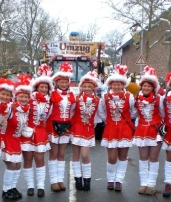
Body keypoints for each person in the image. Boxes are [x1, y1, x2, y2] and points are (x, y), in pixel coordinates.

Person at [97, 64, 138, 192]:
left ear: (123, 85)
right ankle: (110, 179)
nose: (116, 87)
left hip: (124, 128)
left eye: (119, 84)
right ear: (110, 85)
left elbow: (134, 111)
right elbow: (101, 111)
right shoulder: (105, 97)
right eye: (114, 84)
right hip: (110, 128)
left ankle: (119, 180)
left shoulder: (129, 97)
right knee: (112, 156)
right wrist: (108, 120)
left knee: (123, 155)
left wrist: (126, 119)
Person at [21, 64, 53, 197]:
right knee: (28, 159)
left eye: (46, 87)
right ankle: (30, 186)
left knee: (40, 159)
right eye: (42, 87)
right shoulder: (28, 98)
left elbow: (48, 117)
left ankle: (40, 186)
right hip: (27, 132)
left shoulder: (50, 102)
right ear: (37, 87)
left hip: (40, 132)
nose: (44, 89)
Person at [132, 66, 164, 195]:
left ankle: (151, 184)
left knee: (153, 157)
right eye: (144, 86)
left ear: (153, 88)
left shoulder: (159, 99)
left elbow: (163, 114)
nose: (146, 88)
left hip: (155, 131)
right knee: (143, 158)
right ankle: (143, 183)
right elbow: (134, 114)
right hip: (141, 131)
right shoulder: (136, 99)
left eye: (149, 86)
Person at [0, 74, 32, 200]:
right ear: (16, 96)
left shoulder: (26, 110)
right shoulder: (10, 108)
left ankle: (12, 187)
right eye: (21, 96)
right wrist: (1, 140)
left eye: (26, 97)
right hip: (7, 139)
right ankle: (5, 190)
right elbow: (2, 125)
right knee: (11, 165)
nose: (23, 99)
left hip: (16, 140)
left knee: (18, 164)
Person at [47, 62, 76, 192]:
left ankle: (60, 179)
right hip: (53, 126)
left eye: (66, 82)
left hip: (65, 126)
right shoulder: (51, 95)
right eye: (61, 82)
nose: (64, 84)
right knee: (53, 153)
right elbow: (47, 112)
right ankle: (53, 180)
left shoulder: (71, 95)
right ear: (57, 82)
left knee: (62, 153)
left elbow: (73, 111)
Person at [70, 70, 101, 191]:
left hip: (88, 130)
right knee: (76, 155)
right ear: (81, 87)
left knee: (85, 155)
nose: (87, 88)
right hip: (76, 129)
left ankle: (87, 179)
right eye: (85, 86)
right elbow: (71, 112)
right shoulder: (76, 98)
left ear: (94, 88)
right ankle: (78, 179)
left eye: (90, 86)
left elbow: (100, 116)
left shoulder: (98, 100)